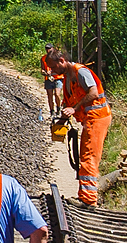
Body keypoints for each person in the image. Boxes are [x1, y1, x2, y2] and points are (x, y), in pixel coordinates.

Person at [46, 48, 110, 206]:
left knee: (88, 157)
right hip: (90, 119)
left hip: (98, 117)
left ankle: (88, 200)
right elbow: (71, 101)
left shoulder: (80, 72)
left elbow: (93, 93)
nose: (52, 71)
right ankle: (85, 196)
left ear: (62, 61)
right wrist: (61, 121)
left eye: (53, 67)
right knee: (85, 156)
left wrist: (74, 109)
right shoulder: (68, 76)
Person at [40, 44, 63, 116]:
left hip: (58, 77)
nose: (48, 50)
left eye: (49, 48)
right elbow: (42, 69)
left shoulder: (57, 57)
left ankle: (58, 108)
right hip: (48, 78)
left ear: (52, 48)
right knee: (49, 95)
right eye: (46, 48)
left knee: (57, 94)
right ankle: (52, 111)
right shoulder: (43, 58)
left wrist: (52, 71)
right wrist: (44, 72)